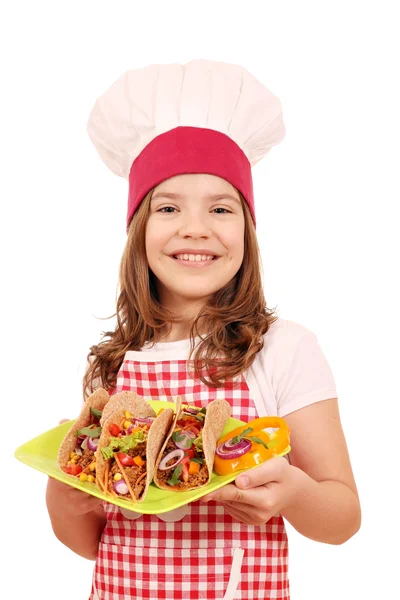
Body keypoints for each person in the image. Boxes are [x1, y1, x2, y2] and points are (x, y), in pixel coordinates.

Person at [45, 59, 361, 600]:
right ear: (139, 231)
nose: (196, 228)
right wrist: (63, 498)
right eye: (168, 207)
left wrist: (294, 493)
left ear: (247, 230)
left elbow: (343, 518)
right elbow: (93, 542)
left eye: (221, 207)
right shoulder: (115, 364)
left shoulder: (282, 349)